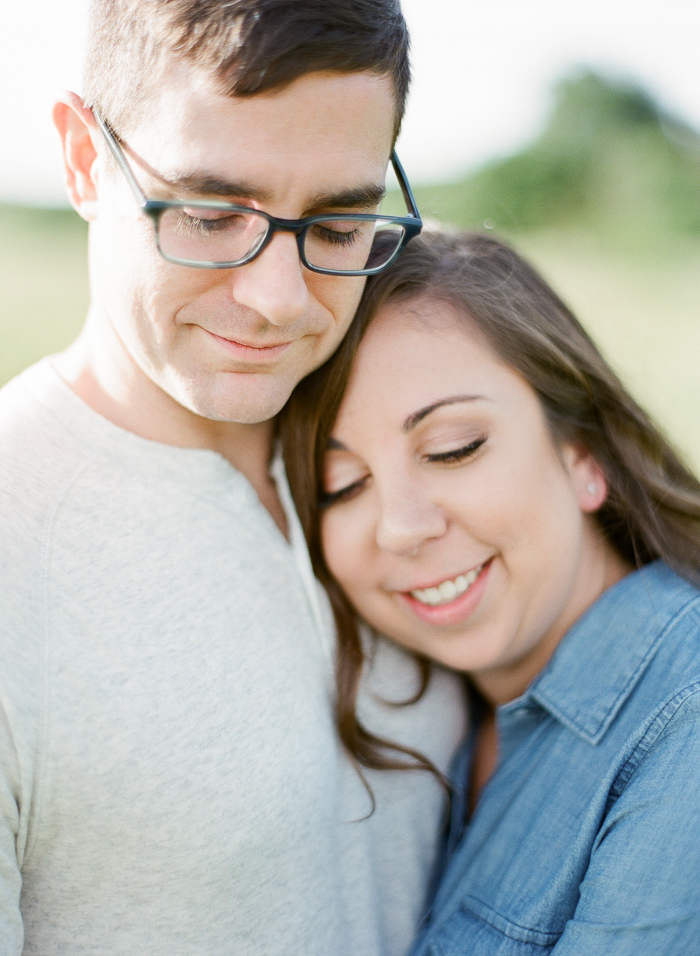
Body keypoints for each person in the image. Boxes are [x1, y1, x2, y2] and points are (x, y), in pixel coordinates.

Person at [0, 4, 469, 954]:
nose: (278, 300)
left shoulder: (406, 464)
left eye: (339, 223)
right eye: (211, 215)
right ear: (86, 160)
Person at [281, 229, 700, 954]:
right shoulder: (435, 722)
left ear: (584, 455)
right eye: (340, 487)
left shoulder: (682, 719)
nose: (402, 528)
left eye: (454, 448)